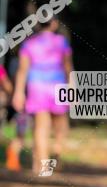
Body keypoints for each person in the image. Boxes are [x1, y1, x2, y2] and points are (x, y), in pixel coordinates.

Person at [12, 19, 74, 175]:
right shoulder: (61, 42)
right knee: (60, 124)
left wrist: (19, 92)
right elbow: (68, 67)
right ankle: (57, 148)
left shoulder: (29, 44)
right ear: (54, 24)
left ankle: (45, 167)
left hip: (37, 87)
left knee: (41, 128)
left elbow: (22, 70)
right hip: (57, 85)